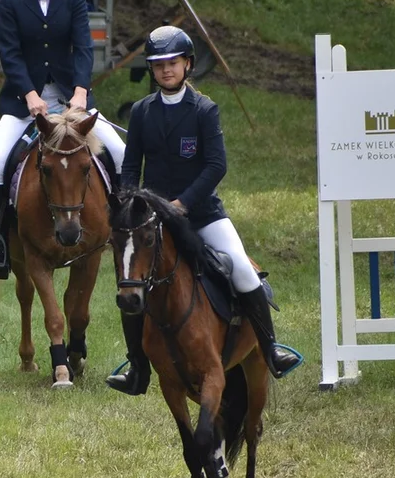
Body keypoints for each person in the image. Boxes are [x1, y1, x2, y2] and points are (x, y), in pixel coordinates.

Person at [106, 25, 299, 395]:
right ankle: (137, 366)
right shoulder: (142, 112)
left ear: (188, 65)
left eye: (173, 63)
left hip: (202, 213)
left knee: (243, 269)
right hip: (153, 220)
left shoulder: (205, 109)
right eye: (159, 64)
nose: (166, 70)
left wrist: (182, 203)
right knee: (131, 283)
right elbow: (131, 166)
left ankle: (270, 347)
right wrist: (130, 202)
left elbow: (216, 166)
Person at [0, 0, 125, 280]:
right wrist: (29, 94)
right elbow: (10, 54)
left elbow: (84, 48)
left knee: (120, 151)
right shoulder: (11, 3)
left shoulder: (74, 0)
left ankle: (121, 227)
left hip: (69, 99)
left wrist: (80, 91)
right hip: (22, 102)